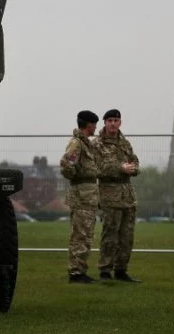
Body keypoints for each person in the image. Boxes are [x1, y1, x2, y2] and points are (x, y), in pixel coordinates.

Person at [93, 109, 141, 283]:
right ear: (105, 123)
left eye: (116, 120)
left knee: (127, 236)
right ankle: (105, 270)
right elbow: (97, 168)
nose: (113, 123)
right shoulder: (97, 145)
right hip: (109, 195)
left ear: (120, 123)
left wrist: (134, 168)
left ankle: (121, 270)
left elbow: (135, 161)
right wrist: (120, 168)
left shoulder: (125, 143)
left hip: (127, 196)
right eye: (110, 120)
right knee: (110, 234)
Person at [60, 110, 100, 284]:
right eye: (94, 124)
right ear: (88, 125)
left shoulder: (85, 144)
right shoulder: (77, 144)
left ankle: (80, 271)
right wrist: (77, 176)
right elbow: (66, 164)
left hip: (88, 195)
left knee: (86, 235)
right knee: (80, 235)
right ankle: (76, 273)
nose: (96, 128)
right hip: (82, 195)